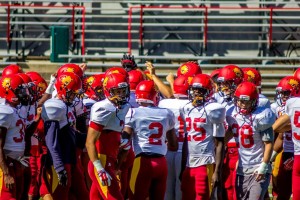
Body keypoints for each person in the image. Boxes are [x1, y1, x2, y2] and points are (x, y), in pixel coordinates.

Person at [123, 80, 178, 200]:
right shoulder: (167, 113)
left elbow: (125, 139)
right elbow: (174, 145)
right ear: (154, 96)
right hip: (161, 163)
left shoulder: (133, 112)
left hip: (142, 161)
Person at [41, 72, 88, 200]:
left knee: (82, 195)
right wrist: (59, 167)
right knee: (60, 196)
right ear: (62, 89)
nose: (74, 97)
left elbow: (71, 134)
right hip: (60, 161)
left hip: (70, 158)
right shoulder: (55, 105)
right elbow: (51, 141)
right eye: (72, 93)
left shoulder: (65, 106)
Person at [226, 82, 275, 200]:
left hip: (258, 167)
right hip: (242, 168)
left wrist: (264, 165)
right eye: (239, 101)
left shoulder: (262, 116)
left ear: (254, 101)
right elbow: (229, 133)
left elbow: (268, 143)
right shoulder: (233, 114)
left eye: (246, 101)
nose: (242, 105)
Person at [86, 72, 130, 200]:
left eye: (123, 90)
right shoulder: (104, 108)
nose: (121, 94)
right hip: (101, 161)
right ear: (108, 91)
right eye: (117, 91)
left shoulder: (124, 106)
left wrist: (119, 140)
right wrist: (99, 169)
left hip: (111, 158)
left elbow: (111, 131)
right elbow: (90, 142)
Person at [180, 74, 225, 200]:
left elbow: (219, 143)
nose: (196, 93)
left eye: (201, 90)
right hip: (189, 163)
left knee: (202, 196)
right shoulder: (185, 108)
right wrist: (183, 166)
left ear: (209, 92)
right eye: (194, 90)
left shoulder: (213, 109)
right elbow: (186, 139)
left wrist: (217, 171)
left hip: (205, 162)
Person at [158, 75, 190, 200]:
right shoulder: (193, 105)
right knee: (180, 188)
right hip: (186, 151)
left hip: (168, 150)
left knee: (167, 189)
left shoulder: (164, 103)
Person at [0, 74, 30, 200]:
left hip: (16, 162)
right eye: (19, 90)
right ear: (8, 90)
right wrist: (6, 172)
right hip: (6, 165)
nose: (23, 93)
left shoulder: (15, 110)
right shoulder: (4, 111)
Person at [270, 76, 298, 200]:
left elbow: (276, 129)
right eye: (281, 93)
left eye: (286, 93)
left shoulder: (292, 105)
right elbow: (280, 135)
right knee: (281, 183)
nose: (283, 96)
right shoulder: (280, 107)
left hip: (294, 151)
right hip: (289, 150)